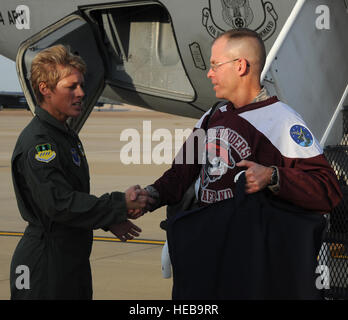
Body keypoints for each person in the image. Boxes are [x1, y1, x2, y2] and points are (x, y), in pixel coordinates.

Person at [140, 28, 342, 225]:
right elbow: (179, 176)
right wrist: (147, 196)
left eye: (215, 65)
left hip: (253, 252)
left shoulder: (283, 122)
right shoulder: (211, 117)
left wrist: (273, 176)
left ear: (240, 66)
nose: (210, 74)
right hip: (210, 244)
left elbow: (327, 189)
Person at [10, 44, 152, 300]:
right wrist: (118, 204)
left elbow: (70, 197)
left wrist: (108, 219)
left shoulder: (64, 135)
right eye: (71, 87)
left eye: (81, 85)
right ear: (45, 89)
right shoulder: (40, 143)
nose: (81, 93)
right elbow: (59, 203)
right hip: (46, 265)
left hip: (69, 260)